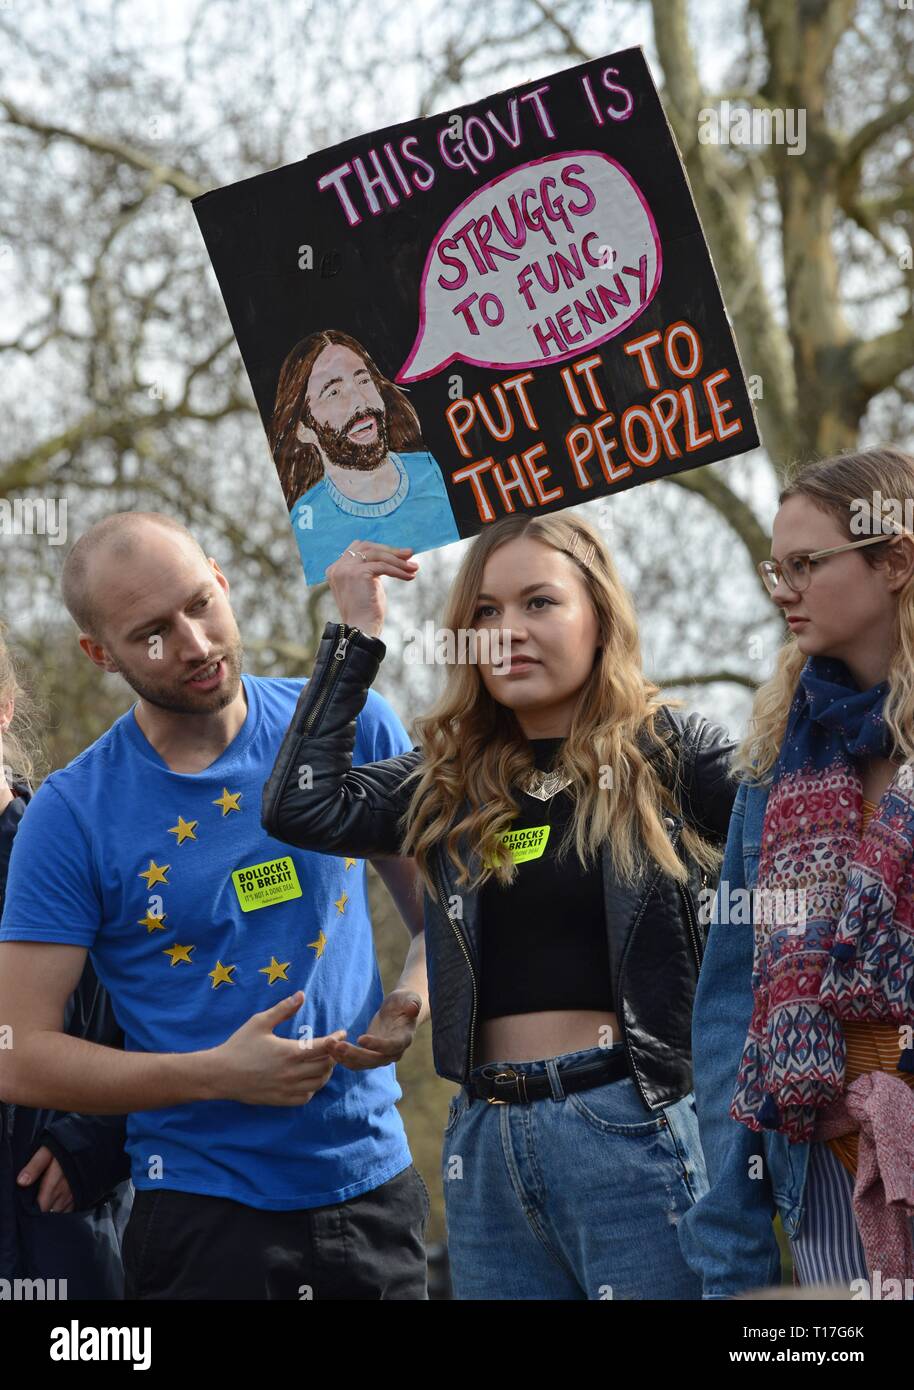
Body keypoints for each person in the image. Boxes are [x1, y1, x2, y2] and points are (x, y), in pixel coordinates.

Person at [261, 509, 738, 1299]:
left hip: (631, 1124)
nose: (508, 630)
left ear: (600, 617)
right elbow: (302, 808)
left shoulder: (670, 751)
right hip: (482, 1140)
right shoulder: (452, 779)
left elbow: (810, 822)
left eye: (539, 602)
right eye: (485, 611)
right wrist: (355, 631)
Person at [0, 513, 432, 1300]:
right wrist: (213, 1076)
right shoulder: (71, 813)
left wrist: (413, 996)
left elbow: (446, 916)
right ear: (100, 655)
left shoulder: (351, 723)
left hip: (377, 1186)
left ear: (223, 581)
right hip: (201, 1216)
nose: (194, 645)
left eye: (200, 604)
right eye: (152, 633)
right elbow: (17, 1052)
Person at [680, 447, 914, 1299]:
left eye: (806, 565)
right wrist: (732, 1243)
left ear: (894, 561)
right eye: (774, 568)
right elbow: (728, 1013)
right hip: (822, 1172)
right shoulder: (772, 769)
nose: (783, 588)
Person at [0, 621, 131, 1298]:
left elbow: (161, 1021)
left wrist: (95, 1143)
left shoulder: (76, 852)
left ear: (5, 705)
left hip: (62, 1244)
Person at [269, 328, 459, 583]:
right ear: (304, 428)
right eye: (333, 392)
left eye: (363, 381)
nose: (360, 402)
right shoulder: (306, 527)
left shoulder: (434, 470)